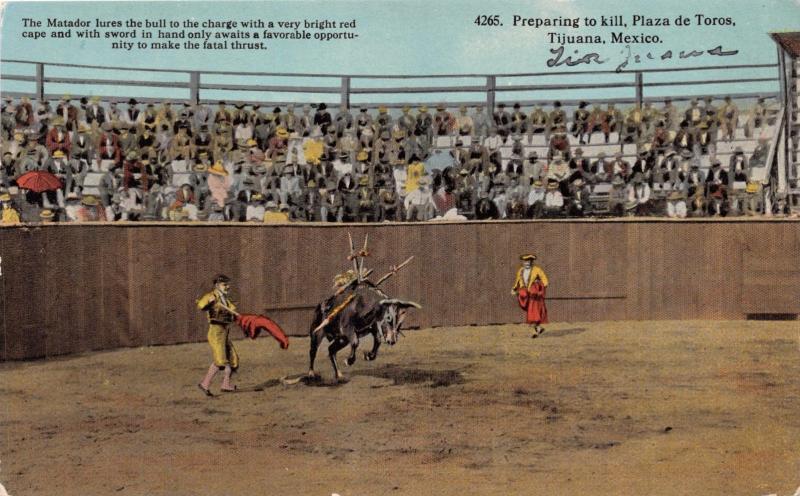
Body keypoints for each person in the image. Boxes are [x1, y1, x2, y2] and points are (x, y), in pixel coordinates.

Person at [196, 274, 239, 395]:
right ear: (217, 285)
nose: (227, 287)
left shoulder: (225, 299)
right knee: (220, 360)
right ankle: (205, 384)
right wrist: (209, 303)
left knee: (233, 359)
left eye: (228, 284)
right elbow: (201, 306)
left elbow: (233, 312)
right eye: (224, 284)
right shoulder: (211, 296)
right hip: (216, 331)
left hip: (225, 331)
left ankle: (226, 384)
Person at [512, 254, 549, 338]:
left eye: (529, 261)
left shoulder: (537, 270)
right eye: (525, 261)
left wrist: (538, 287)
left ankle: (534, 332)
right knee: (531, 311)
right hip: (526, 294)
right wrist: (514, 289)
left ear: (531, 262)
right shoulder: (521, 271)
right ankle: (539, 329)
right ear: (523, 262)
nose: (527, 263)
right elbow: (518, 281)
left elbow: (545, 281)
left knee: (533, 312)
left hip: (534, 296)